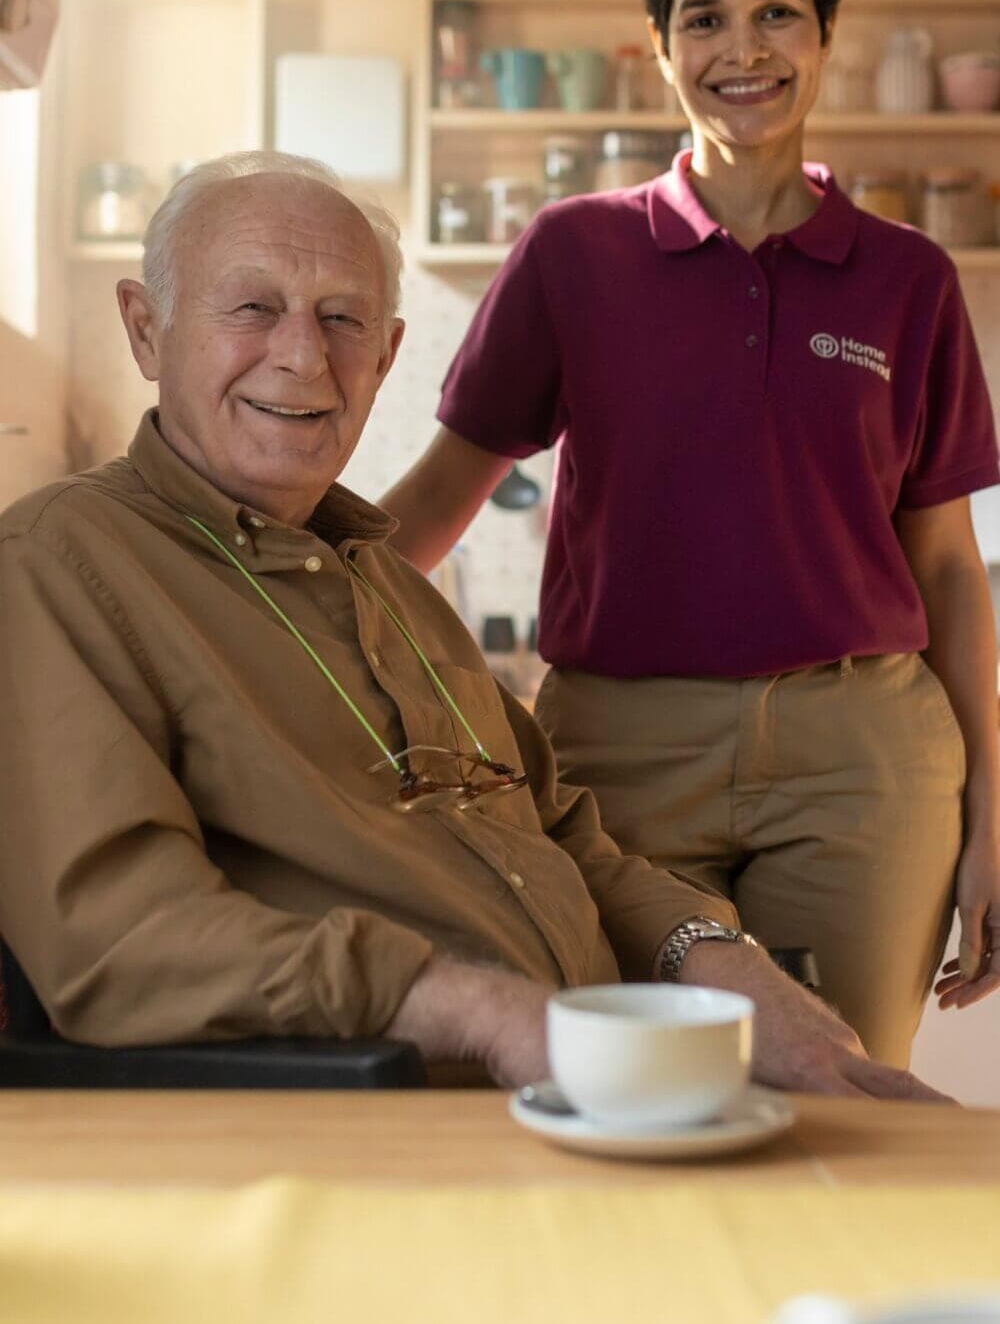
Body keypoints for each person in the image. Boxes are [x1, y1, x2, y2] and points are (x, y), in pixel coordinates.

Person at [0, 149, 944, 1100]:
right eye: (252, 307)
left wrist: (728, 971)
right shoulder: (60, 562)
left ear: (386, 357)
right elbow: (119, 937)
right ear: (145, 328)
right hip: (406, 1125)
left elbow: (564, 835)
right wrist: (479, 1012)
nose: (302, 354)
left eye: (343, 319)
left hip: (600, 1093)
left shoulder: (389, 584)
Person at [381, 0, 1000, 1068]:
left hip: (862, 758)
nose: (742, 48)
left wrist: (994, 818)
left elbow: (947, 568)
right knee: (634, 1086)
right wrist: (268, 604)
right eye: (703, 17)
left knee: (844, 1099)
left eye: (775, 12)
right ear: (659, 47)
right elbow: (436, 500)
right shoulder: (572, 254)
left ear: (824, 35)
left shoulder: (908, 278)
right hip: (617, 759)